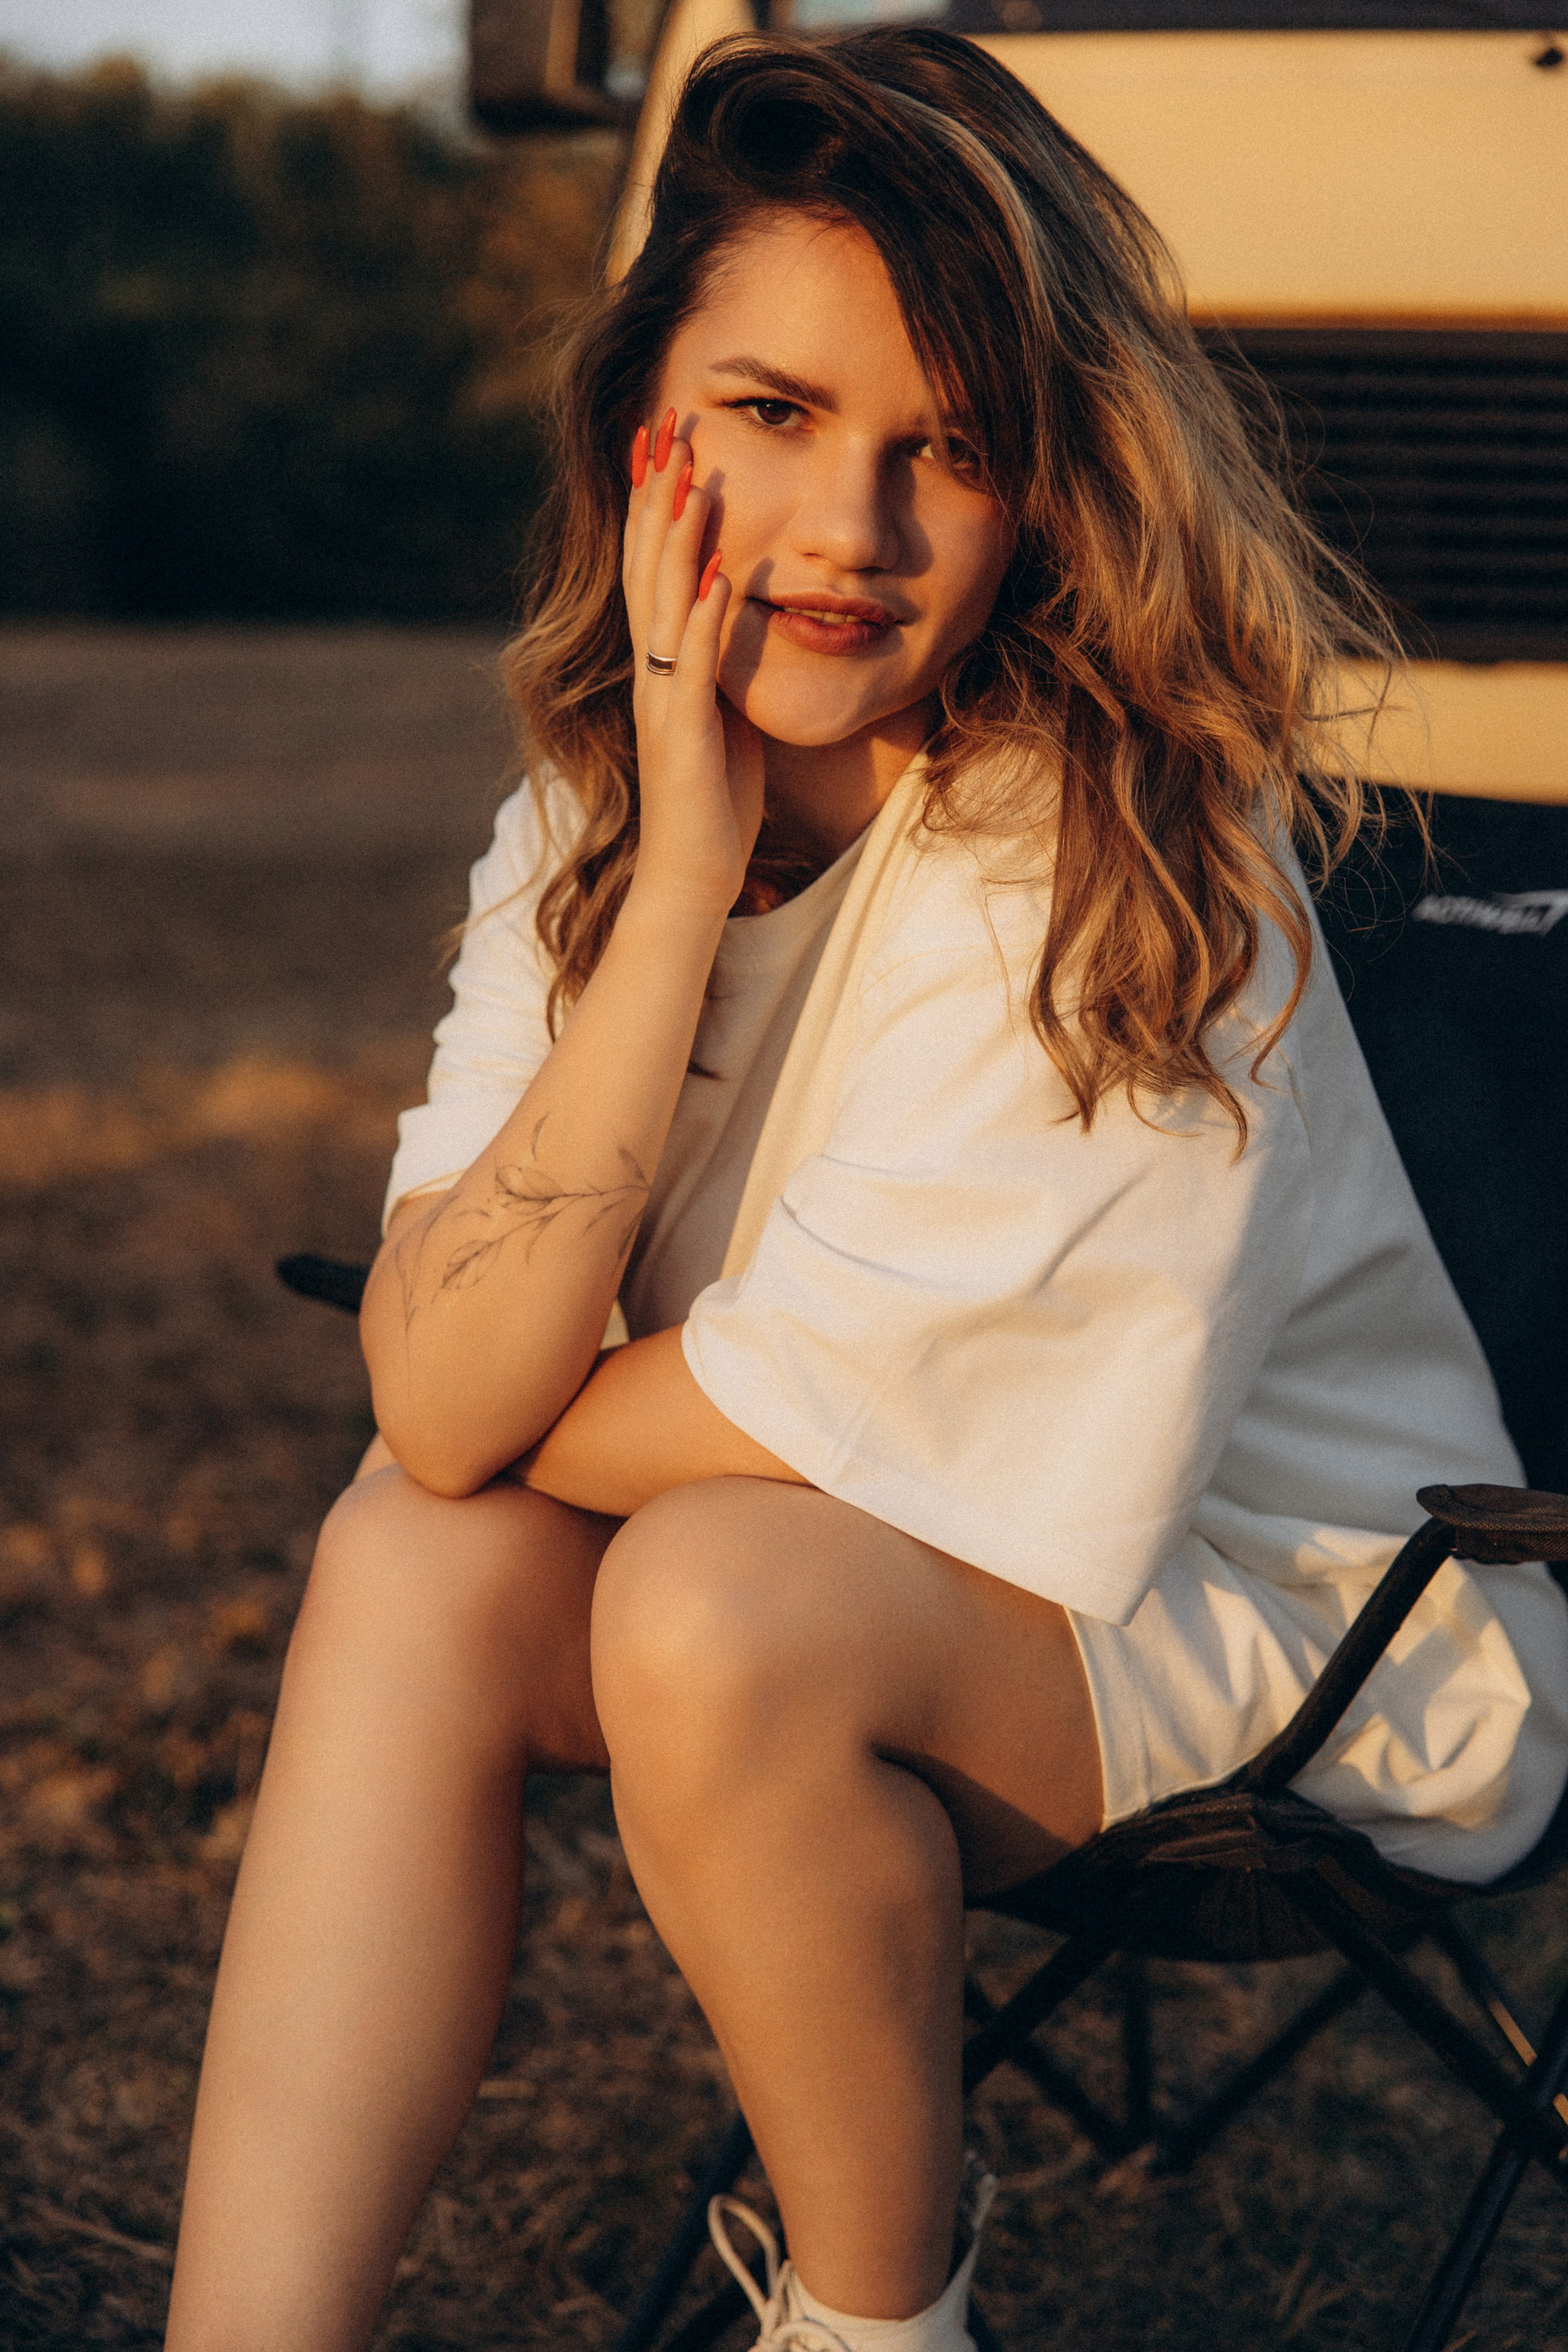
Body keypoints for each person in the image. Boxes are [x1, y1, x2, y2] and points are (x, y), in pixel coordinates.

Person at [164, 29, 1568, 2352]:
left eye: (953, 449)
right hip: (868, 1569)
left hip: (1310, 1627)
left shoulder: (1113, 857)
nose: (850, 531)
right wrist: (678, 879)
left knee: (695, 1589)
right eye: (774, 412)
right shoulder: (595, 815)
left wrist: (487, 1390)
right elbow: (449, 1425)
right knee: (412, 1559)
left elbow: (629, 1399)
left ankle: (877, 2326)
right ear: (647, 428)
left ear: (1048, 496)